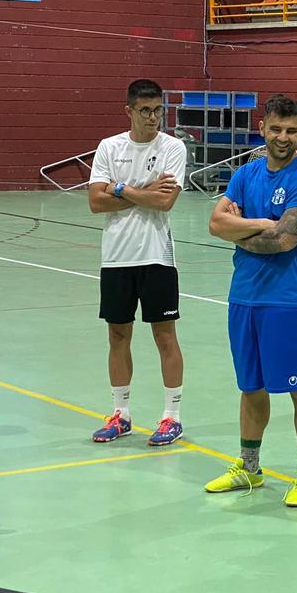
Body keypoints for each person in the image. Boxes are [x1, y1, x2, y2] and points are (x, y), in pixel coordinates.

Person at [203, 94, 297, 508]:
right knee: (250, 386)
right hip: (243, 297)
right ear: (263, 128)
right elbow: (214, 223)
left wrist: (239, 230)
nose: (283, 137)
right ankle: (250, 467)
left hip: (286, 301)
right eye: (276, 129)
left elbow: (284, 240)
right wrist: (258, 223)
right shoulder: (245, 175)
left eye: (291, 131)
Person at [88, 78, 188, 447]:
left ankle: (171, 417)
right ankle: (121, 414)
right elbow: (95, 203)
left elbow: (165, 202)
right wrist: (144, 192)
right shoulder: (109, 147)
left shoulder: (173, 148)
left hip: (156, 257)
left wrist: (120, 188)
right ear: (129, 110)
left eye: (158, 109)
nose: (153, 117)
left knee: (165, 336)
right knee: (118, 335)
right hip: (116, 257)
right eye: (145, 110)